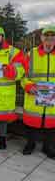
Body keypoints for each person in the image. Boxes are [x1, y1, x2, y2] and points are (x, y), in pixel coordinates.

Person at [21, 26, 55, 158]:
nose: (49, 41)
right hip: (34, 96)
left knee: (52, 125)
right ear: (41, 38)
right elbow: (23, 76)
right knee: (31, 123)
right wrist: (29, 86)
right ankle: (30, 144)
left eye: (52, 38)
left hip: (52, 98)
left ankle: (48, 147)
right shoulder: (31, 54)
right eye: (47, 37)